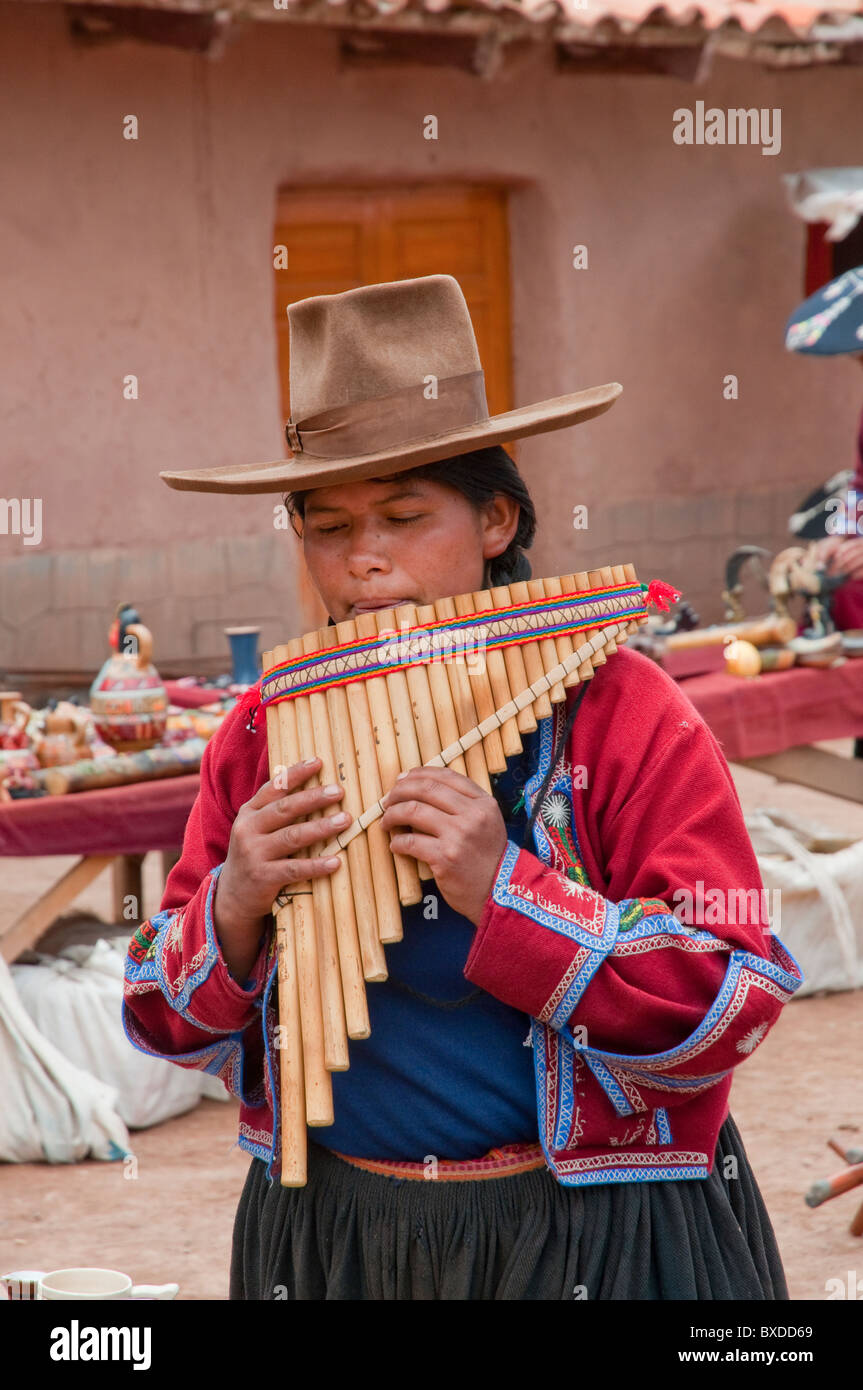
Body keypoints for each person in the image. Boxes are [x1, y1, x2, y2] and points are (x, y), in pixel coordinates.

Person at [123, 274, 802, 1301]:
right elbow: (154, 1011)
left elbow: (732, 996)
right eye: (326, 526)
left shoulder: (627, 711)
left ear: (494, 520)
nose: (362, 563)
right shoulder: (268, 728)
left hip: (591, 1239)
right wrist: (233, 906)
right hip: (335, 1239)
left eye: (402, 516)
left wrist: (509, 893)